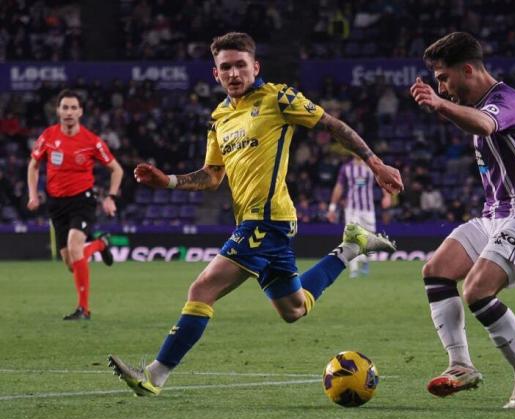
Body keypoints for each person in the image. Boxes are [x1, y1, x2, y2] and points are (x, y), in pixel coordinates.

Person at [108, 32, 403, 396]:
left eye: (240, 65)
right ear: (215, 74)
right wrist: (168, 181)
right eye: (225, 67)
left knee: (202, 288)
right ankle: (351, 247)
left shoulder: (279, 98)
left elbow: (332, 125)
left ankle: (155, 374)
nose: (234, 73)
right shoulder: (219, 119)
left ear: (255, 66)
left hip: (266, 220)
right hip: (260, 222)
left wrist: (375, 163)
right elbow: (212, 176)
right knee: (294, 309)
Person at [410, 32, 515, 409]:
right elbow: (475, 122)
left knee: (476, 291)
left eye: (443, 77)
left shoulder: (509, 101)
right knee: (436, 270)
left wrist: (439, 104)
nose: (441, 85)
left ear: (468, 70)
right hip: (495, 215)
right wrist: (444, 103)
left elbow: (486, 125)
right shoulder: (479, 106)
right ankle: (460, 365)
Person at [27, 89, 124, 320]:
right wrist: (33, 195)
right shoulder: (48, 137)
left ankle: (84, 309)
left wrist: (110, 197)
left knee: (74, 246)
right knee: (72, 263)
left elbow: (116, 169)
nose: (69, 112)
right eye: (65, 107)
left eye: (73, 108)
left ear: (80, 112)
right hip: (56, 204)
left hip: (82, 201)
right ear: (58, 110)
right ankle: (100, 245)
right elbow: (33, 165)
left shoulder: (91, 141)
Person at [327, 157, 392, 277]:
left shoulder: (372, 166)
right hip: (351, 209)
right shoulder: (346, 168)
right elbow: (339, 187)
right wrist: (332, 207)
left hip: (368, 209)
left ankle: (365, 262)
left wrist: (386, 195)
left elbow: (382, 179)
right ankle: (354, 269)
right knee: (351, 238)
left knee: (369, 239)